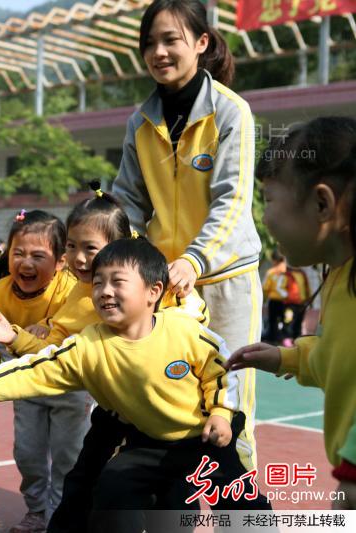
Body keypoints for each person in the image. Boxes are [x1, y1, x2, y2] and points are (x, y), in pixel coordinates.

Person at [0, 238, 271, 533]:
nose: (105, 291)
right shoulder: (87, 345)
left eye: (117, 281)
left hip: (208, 437)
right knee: (114, 484)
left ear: (153, 291)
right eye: (98, 283)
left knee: (241, 503)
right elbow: (34, 371)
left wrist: (221, 414)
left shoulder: (184, 331)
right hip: (149, 442)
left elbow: (219, 371)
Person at [0, 186, 208, 532]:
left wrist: (187, 302)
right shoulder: (81, 299)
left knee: (169, 495)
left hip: (170, 421)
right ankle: (57, 519)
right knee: (86, 483)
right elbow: (52, 353)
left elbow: (199, 336)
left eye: (90, 248)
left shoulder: (159, 300)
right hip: (115, 412)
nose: (79, 258)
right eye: (72, 246)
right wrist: (8, 348)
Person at [111, 0, 261, 472]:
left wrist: (194, 261)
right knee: (161, 408)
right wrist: (136, 264)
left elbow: (232, 201)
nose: (158, 52)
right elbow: (128, 203)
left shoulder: (232, 112)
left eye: (171, 40)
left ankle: (243, 520)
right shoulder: (139, 122)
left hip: (224, 283)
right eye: (149, 42)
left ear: (201, 43)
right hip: (165, 287)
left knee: (229, 413)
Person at [225, 116, 356, 510]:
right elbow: (341, 360)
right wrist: (288, 357)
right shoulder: (337, 277)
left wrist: (351, 478)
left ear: (321, 203)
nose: (264, 218)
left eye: (268, 201)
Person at [0, 209, 87, 532]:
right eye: (18, 253)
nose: (26, 263)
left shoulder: (73, 290)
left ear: (60, 262)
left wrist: (21, 336)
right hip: (26, 386)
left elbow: (63, 341)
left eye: (38, 256)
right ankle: (37, 511)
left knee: (68, 456)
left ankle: (59, 513)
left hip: (68, 386)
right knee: (27, 453)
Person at [262, 251, 287, 343]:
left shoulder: (271, 272)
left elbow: (265, 287)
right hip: (286, 301)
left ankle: (273, 338)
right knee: (285, 320)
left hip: (274, 300)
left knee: (272, 321)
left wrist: (264, 298)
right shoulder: (288, 272)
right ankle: (284, 338)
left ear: (275, 260)